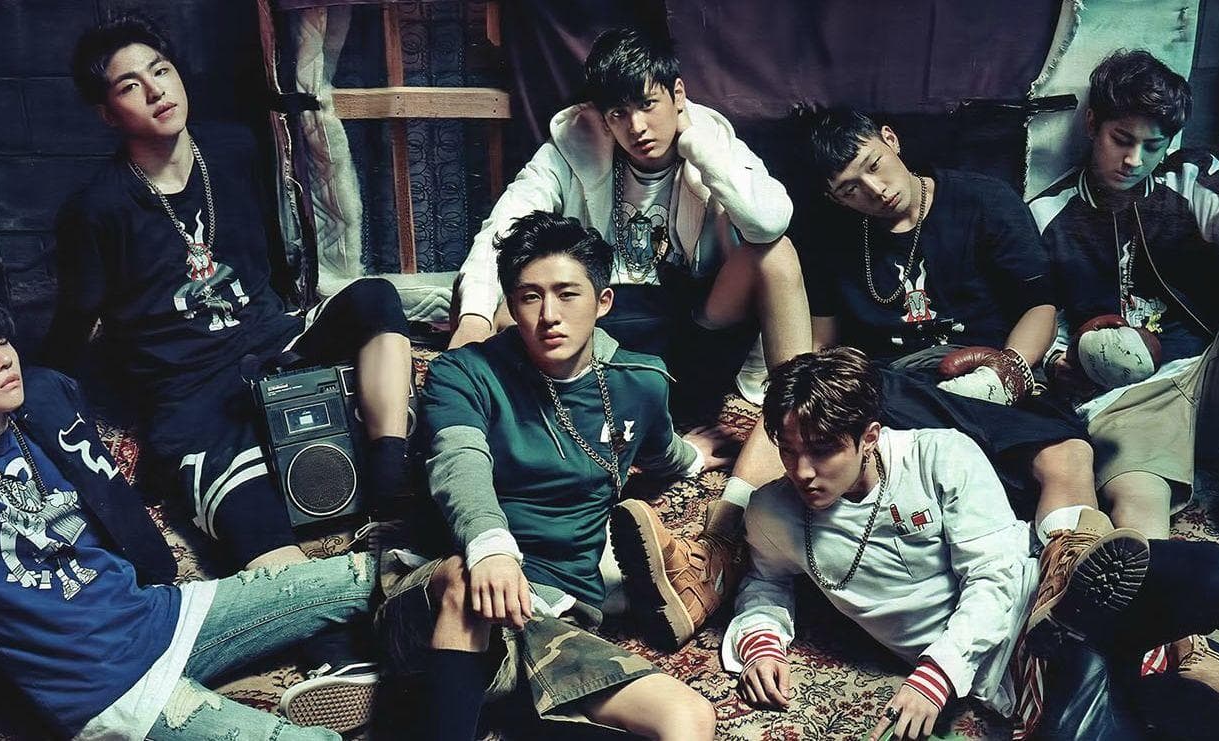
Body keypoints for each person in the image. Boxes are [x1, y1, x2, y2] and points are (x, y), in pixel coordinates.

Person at [41, 14, 412, 729]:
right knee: (252, 511)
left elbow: (271, 257)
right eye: (129, 85)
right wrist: (43, 395)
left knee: (374, 299)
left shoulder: (235, 148)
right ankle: (338, 658)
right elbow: (76, 319)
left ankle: (388, 475)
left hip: (272, 340)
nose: (155, 90)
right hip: (187, 391)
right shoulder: (96, 209)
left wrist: (286, 329)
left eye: (160, 70)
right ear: (106, 112)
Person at [0, 284, 378, 741]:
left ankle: (405, 642)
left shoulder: (40, 409)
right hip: (100, 685)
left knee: (368, 575)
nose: (4, 360)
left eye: (2, 341)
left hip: (158, 615)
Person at [446, 27, 816, 648]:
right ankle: (540, 466)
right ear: (600, 115)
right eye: (618, 113)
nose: (637, 127)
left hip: (693, 329)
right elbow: (501, 234)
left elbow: (769, 218)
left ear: (678, 95)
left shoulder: (709, 137)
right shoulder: (572, 145)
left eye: (649, 104)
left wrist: (697, 144)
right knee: (518, 300)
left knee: (776, 254)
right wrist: (475, 319)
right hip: (605, 340)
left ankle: (782, 445)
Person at [725, 347, 1219, 740]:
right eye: (788, 450)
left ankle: (1090, 588)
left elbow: (994, 574)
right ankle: (1169, 686)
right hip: (1022, 665)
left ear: (869, 436)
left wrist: (936, 674)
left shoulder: (940, 455)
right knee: (1131, 711)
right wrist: (762, 643)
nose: (802, 471)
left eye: (823, 450)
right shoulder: (775, 511)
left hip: (1040, 596)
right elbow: (765, 582)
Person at [377, 212, 725, 740]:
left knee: (689, 718)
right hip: (449, 596)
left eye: (567, 294)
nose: (549, 316)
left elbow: (660, 450)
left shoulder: (641, 380)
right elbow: (458, 461)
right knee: (467, 581)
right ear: (510, 305)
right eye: (530, 297)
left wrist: (693, 457)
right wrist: (490, 547)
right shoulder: (462, 373)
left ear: (602, 302)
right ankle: (443, 699)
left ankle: (465, 706)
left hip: (555, 617)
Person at [797, 106, 1113, 569]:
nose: (875, 189)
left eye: (874, 165)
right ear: (835, 198)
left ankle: (1068, 575)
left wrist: (1008, 369)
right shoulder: (830, 237)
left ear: (891, 139)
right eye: (850, 189)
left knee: (1069, 454)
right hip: (896, 389)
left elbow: (1040, 306)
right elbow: (823, 346)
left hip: (989, 372)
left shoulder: (983, 200)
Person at [1029, 49, 1219, 569]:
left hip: (1216, 371)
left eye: (1152, 146)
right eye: (1121, 140)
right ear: (1093, 124)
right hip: (1128, 400)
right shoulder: (1047, 212)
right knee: (1139, 520)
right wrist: (1057, 359)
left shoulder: (1187, 179)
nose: (1134, 160)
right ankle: (1162, 609)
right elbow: (1036, 307)